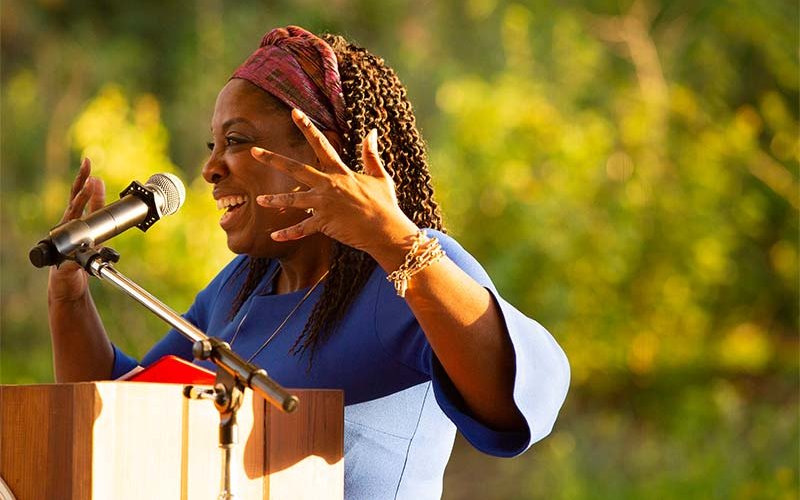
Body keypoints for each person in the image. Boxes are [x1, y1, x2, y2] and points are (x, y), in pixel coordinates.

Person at [47, 26, 570, 499]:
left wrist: (393, 241)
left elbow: (525, 400)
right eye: (213, 144)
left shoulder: (407, 263)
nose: (209, 168)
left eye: (236, 141)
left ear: (322, 155)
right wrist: (69, 299)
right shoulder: (236, 292)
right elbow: (115, 413)